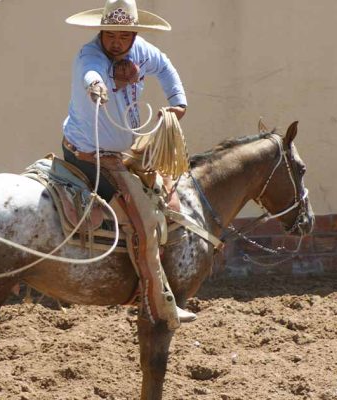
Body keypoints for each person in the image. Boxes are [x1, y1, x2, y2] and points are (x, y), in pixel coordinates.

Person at [63, 0, 195, 330]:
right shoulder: (89, 55)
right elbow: (90, 73)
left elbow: (164, 67)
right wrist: (99, 86)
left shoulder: (142, 51)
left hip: (121, 152)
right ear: (101, 32)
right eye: (111, 35)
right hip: (92, 155)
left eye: (125, 35)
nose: (117, 42)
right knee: (146, 219)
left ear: (135, 34)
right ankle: (158, 299)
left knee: (163, 192)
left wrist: (178, 102)